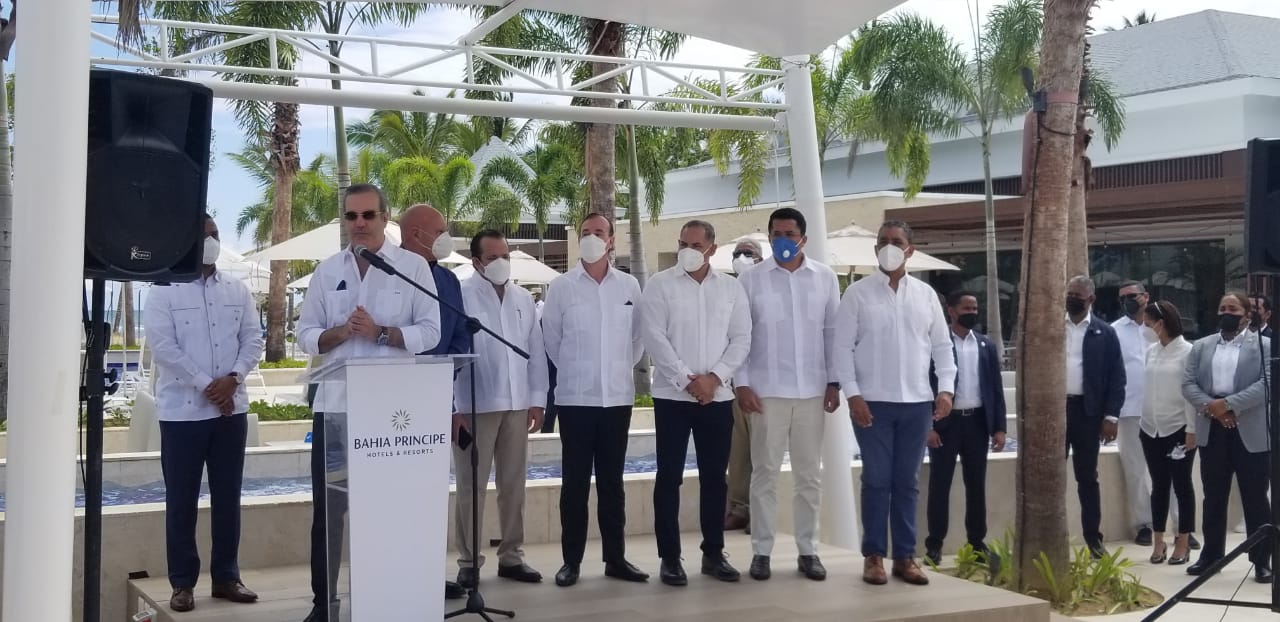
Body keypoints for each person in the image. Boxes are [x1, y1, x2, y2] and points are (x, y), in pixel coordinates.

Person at [297, 184, 442, 622]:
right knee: (330, 513)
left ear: (386, 218)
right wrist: (339, 333)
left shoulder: (413, 267)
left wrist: (382, 333)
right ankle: (326, 605)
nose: (359, 224)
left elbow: (431, 332)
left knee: (391, 510)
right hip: (336, 407)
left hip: (392, 412)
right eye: (351, 216)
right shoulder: (327, 271)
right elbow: (305, 335)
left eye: (368, 216)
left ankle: (391, 600)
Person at [143, 214, 264, 613]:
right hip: (182, 415)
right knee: (182, 500)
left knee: (228, 497)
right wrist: (208, 386)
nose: (210, 242)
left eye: (215, 235)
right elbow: (164, 349)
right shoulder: (163, 291)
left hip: (231, 411)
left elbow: (252, 339)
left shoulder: (238, 290)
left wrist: (234, 378)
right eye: (203, 236)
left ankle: (227, 576)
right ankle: (182, 583)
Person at [835, 220, 955, 586]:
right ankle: (873, 555)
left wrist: (946, 389)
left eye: (897, 241)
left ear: (910, 250)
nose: (890, 246)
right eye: (883, 241)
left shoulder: (926, 295)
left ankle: (905, 557)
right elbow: (841, 348)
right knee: (876, 480)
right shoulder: (857, 294)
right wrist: (853, 394)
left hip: (917, 403)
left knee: (907, 482)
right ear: (876, 250)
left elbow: (941, 346)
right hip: (872, 403)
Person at [640, 220, 752, 586]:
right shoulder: (659, 284)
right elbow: (654, 337)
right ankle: (670, 558)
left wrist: (714, 378)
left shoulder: (731, 288)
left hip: (717, 398)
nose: (687, 249)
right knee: (668, 478)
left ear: (712, 249)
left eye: (695, 244)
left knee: (714, 480)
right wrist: (688, 379)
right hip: (673, 397)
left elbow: (741, 339)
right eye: (683, 243)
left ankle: (714, 553)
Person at [542, 212, 649, 587]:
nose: (591, 237)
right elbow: (552, 343)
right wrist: (579, 372)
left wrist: (615, 370)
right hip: (575, 399)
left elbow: (637, 341)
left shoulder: (630, 287)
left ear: (611, 240)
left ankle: (615, 559)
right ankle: (571, 561)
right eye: (585, 232)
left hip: (617, 399)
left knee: (612, 484)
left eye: (598, 232)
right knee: (573, 484)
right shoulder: (561, 288)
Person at [736, 207, 841, 583]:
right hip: (766, 393)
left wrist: (835, 382)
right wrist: (741, 383)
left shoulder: (825, 279)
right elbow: (742, 336)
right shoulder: (751, 281)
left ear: (803, 238)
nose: (783, 240)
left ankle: (808, 550)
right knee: (763, 473)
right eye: (776, 234)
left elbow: (833, 335)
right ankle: (761, 552)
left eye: (789, 233)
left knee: (808, 476)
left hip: (813, 391)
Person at [452, 230, 547, 587]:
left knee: (514, 484)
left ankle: (511, 556)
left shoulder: (523, 298)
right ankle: (468, 561)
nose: (500, 262)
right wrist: (452, 407)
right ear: (476, 261)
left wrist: (537, 399)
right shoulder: (460, 297)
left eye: (504, 255)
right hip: (474, 404)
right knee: (470, 486)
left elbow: (535, 352)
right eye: (492, 257)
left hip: (517, 403)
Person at [399, 203, 471, 600]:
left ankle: (428, 570)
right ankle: (397, 570)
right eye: (440, 230)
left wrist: (446, 371)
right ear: (415, 235)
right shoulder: (388, 273)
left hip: (436, 390)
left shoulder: (447, 279)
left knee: (429, 492)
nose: (446, 236)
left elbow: (461, 331)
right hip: (395, 399)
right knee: (399, 493)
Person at [1182, 293, 1273, 583]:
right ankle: (1211, 555)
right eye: (1222, 308)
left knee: (1256, 498)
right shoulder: (1201, 346)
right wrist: (1215, 408)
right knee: (1213, 497)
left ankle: (1261, 561)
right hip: (1213, 427)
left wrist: (1229, 404)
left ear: (1247, 314)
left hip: (1250, 430)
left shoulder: (1265, 345)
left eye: (1233, 309)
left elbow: (1268, 385)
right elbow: (1188, 383)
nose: (1226, 313)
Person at [923, 291, 1007, 567]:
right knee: (940, 485)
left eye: (975, 306)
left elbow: (995, 388)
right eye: (966, 307)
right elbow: (924, 385)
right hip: (945, 424)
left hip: (977, 424)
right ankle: (935, 544)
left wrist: (999, 428)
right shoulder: (937, 344)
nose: (972, 311)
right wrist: (929, 425)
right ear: (951, 311)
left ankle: (976, 542)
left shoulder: (985, 345)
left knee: (976, 486)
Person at [1064, 275, 1126, 559]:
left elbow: (1117, 377)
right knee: (1051, 477)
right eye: (1069, 293)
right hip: (1055, 412)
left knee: (1087, 478)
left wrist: (1111, 417)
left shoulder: (1104, 332)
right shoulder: (1052, 327)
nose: (1072, 298)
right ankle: (1054, 536)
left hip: (1088, 414)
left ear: (1090, 299)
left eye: (1078, 294)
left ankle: (1094, 539)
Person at [1138, 300, 1197, 566]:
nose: (1145, 327)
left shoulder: (1188, 352)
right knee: (1158, 486)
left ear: (1161, 323)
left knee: (1182, 485)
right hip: (1150, 428)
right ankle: (1158, 540)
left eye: (1148, 323)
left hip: (1178, 429)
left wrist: (1191, 430)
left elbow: (1190, 395)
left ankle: (1182, 541)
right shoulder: (1151, 351)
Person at [725, 236, 764, 533]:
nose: (742, 257)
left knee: (763, 451)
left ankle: (760, 513)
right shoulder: (727, 289)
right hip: (732, 383)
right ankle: (739, 508)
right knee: (737, 453)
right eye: (738, 253)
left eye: (748, 253)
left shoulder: (769, 287)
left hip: (765, 384)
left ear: (759, 258)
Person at [1113, 281, 1155, 546]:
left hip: (1164, 410)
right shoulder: (1113, 331)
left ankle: (1180, 525)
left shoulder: (1162, 325)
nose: (1128, 301)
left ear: (1145, 297)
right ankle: (1145, 525)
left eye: (1132, 296)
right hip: (1128, 411)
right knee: (1136, 471)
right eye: (1123, 298)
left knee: (1172, 471)